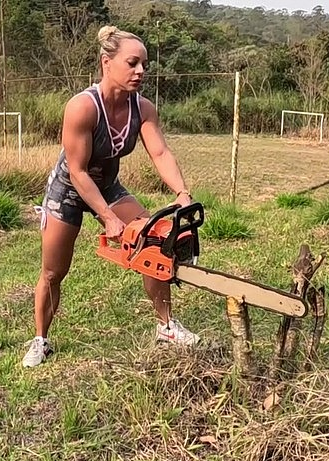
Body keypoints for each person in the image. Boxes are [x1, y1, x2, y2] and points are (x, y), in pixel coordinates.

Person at [22, 24, 201, 368]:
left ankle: (166, 327)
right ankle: (41, 340)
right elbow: (78, 172)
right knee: (53, 271)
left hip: (107, 185)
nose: (141, 71)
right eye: (132, 63)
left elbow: (160, 153)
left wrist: (182, 192)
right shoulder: (82, 107)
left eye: (144, 64)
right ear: (107, 62)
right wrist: (108, 217)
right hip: (68, 189)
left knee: (153, 242)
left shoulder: (143, 109)